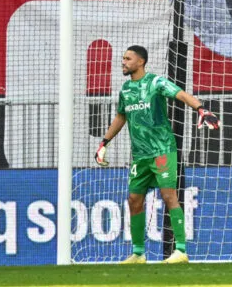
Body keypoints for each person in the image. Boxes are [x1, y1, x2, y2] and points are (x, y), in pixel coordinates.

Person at [94, 44, 220, 264]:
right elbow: (121, 117)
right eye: (123, 58)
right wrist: (104, 142)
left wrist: (200, 108)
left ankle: (180, 250)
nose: (123, 62)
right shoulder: (125, 90)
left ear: (140, 61)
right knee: (134, 199)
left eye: (127, 58)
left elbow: (180, 93)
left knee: (169, 195)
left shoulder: (156, 82)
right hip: (140, 155)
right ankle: (138, 253)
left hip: (162, 150)